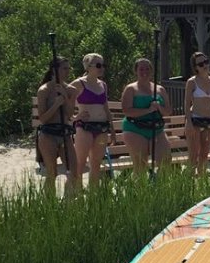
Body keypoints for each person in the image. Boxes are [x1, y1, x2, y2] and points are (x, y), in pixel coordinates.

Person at [71, 53, 115, 187]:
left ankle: (93, 195)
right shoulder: (78, 84)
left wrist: (112, 130)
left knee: (96, 163)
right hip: (84, 127)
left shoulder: (103, 85)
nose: (102, 68)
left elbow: (106, 109)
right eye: (98, 65)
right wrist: (74, 117)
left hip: (101, 128)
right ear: (88, 67)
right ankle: (76, 192)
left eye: (103, 65)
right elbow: (63, 104)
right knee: (80, 162)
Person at [121, 58, 172, 173]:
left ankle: (159, 185)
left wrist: (159, 107)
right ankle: (139, 188)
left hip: (157, 128)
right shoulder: (131, 89)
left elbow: (168, 111)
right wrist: (148, 110)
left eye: (147, 68)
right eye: (141, 69)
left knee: (165, 161)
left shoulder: (160, 89)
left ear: (152, 70)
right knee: (140, 164)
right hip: (135, 128)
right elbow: (126, 110)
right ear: (136, 71)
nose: (145, 71)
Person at [35, 58, 77, 194]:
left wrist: (65, 97)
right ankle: (49, 204)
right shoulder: (44, 90)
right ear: (54, 70)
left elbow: (70, 114)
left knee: (73, 172)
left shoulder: (70, 89)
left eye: (68, 68)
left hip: (65, 134)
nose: (67, 71)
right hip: (48, 134)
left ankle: (68, 202)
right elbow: (43, 118)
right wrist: (56, 104)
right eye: (64, 68)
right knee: (51, 172)